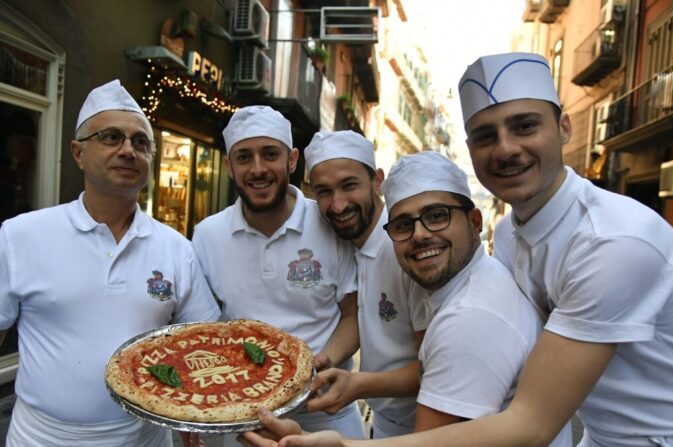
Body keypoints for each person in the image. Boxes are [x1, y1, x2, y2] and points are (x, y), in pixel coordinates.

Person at [240, 52, 673, 447]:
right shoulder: (515, 230)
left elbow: (529, 422)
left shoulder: (611, 243)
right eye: (485, 135)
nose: (505, 149)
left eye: (524, 126)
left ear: (563, 129)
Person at [241, 151, 570, 447]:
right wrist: (355, 390)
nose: (420, 234)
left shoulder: (469, 319)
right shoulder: (473, 284)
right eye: (402, 225)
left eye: (437, 215)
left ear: (474, 222)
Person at [0, 79, 222, 447]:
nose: (128, 150)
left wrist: (188, 413)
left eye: (141, 142)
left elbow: (198, 344)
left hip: (144, 440)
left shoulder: (177, 248)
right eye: (111, 137)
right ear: (78, 152)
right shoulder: (22, 237)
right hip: (42, 438)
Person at [191, 106, 365, 443]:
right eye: (244, 157)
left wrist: (316, 364)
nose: (257, 169)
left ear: (291, 160)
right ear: (229, 166)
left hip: (324, 409)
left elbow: (353, 313)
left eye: (270, 154)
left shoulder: (331, 222)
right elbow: (204, 326)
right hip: (242, 416)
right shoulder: (207, 235)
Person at [302, 131, 428, 438]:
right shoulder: (345, 244)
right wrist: (323, 360)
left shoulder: (406, 249)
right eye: (324, 192)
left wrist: (357, 385)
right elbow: (359, 318)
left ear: (377, 181)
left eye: (349, 185)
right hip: (383, 423)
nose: (338, 204)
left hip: (426, 428)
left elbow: (435, 368)